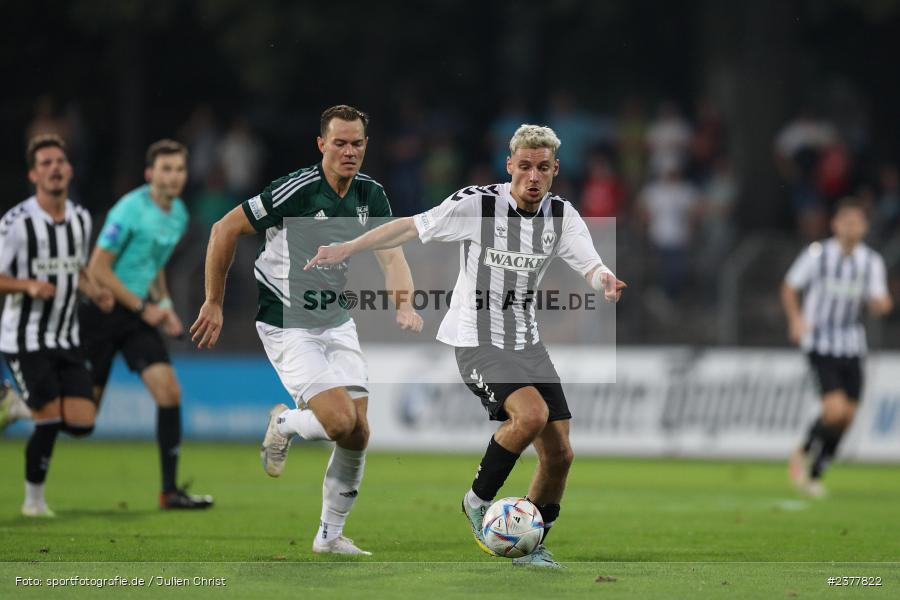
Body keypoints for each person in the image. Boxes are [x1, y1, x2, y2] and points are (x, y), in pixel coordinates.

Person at [305, 124, 626, 568]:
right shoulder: (478, 204)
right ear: (510, 165)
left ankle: (529, 543)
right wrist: (349, 248)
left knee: (560, 454)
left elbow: (588, 262)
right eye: (526, 166)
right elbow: (411, 227)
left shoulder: (562, 216)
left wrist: (603, 279)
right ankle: (477, 501)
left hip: (527, 342)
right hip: (477, 339)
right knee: (530, 415)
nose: (534, 176)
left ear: (555, 172)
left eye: (544, 168)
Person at [191, 105, 422, 555]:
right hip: (286, 323)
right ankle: (284, 422)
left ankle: (329, 537)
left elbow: (391, 255)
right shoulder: (296, 190)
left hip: (336, 320)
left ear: (366, 146)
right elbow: (224, 229)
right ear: (322, 145)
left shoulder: (371, 196)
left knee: (359, 432)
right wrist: (214, 302)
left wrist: (404, 304)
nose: (349, 151)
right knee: (339, 422)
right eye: (339, 143)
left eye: (356, 143)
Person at [80, 139, 213, 510]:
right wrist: (144, 307)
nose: (174, 176)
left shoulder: (179, 215)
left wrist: (165, 304)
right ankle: (23, 406)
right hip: (102, 314)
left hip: (137, 316)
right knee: (82, 420)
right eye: (166, 169)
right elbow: (97, 268)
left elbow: (154, 266)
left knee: (169, 392)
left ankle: (169, 492)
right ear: (149, 173)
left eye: (180, 169)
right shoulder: (129, 209)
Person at [0, 134, 114, 516]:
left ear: (70, 170)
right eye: (45, 163)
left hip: (66, 337)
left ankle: (17, 407)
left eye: (59, 162)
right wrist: (26, 284)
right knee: (48, 418)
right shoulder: (16, 223)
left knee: (83, 422)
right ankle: (34, 502)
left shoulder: (80, 219)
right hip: (25, 338)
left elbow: (77, 267)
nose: (54, 168)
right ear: (34, 174)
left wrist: (94, 290)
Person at [783, 197, 892, 497]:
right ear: (835, 225)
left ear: (865, 228)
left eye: (857, 222)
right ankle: (803, 450)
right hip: (820, 342)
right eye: (846, 221)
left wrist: (881, 304)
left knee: (848, 417)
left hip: (853, 345)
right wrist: (795, 319)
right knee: (834, 411)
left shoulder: (871, 261)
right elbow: (790, 285)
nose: (851, 227)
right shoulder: (817, 255)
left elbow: (879, 299)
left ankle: (816, 472)